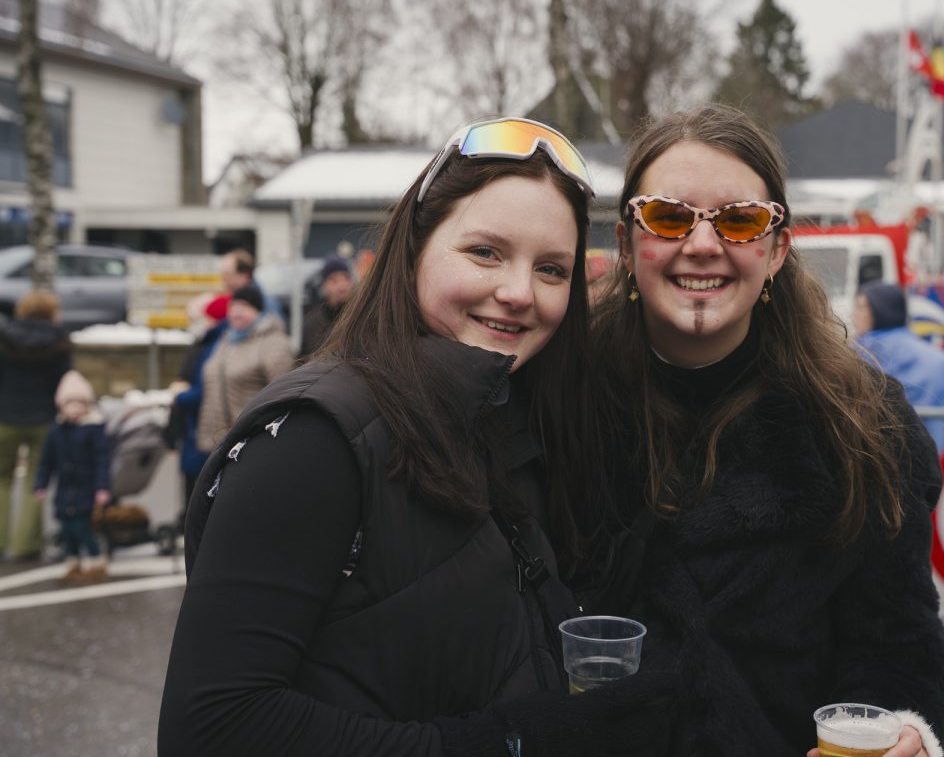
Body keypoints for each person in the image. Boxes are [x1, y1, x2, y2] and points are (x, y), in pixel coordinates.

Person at [159, 116, 676, 756]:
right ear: (414, 249)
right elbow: (211, 729)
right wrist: (509, 743)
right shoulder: (313, 437)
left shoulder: (508, 423)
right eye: (485, 252)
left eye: (551, 269)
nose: (519, 293)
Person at [589, 104, 944, 757]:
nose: (702, 244)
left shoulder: (862, 423)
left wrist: (907, 731)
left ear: (777, 248)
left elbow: (900, 643)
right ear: (625, 243)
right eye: (669, 217)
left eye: (739, 221)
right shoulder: (556, 399)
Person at [853, 282, 944, 454]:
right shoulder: (943, 360)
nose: (854, 314)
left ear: (880, 310)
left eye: (861, 307)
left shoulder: (869, 354)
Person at [0, 290, 71, 559]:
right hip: (44, 419)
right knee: (35, 481)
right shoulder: (59, 341)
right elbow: (64, 381)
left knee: (2, 480)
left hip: (4, 416)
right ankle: (25, 545)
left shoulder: (4, 338)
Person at [194, 285, 293, 454]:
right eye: (233, 306)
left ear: (258, 311)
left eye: (245, 306)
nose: (237, 312)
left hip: (252, 444)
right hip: (219, 444)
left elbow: (283, 395)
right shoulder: (227, 340)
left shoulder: (274, 342)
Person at [33, 370, 110, 581]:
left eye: (80, 404)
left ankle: (96, 559)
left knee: (82, 527)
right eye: (70, 404)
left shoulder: (94, 429)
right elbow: (46, 462)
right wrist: (41, 484)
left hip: (86, 488)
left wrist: (102, 487)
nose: (75, 409)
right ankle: (73, 560)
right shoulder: (56, 431)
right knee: (66, 529)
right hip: (64, 490)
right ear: (62, 406)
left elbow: (102, 461)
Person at [169, 293, 229, 509]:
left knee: (198, 487)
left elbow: (202, 390)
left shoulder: (213, 345)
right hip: (199, 424)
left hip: (201, 425)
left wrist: (180, 396)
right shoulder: (211, 343)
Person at [298, 256, 355, 360]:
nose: (342, 286)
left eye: (346, 278)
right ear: (324, 285)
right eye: (334, 280)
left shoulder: (360, 317)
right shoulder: (311, 324)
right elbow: (302, 363)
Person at [219, 247, 284, 320]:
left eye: (227, 274)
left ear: (244, 276)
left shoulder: (266, 304)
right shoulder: (235, 300)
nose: (223, 279)